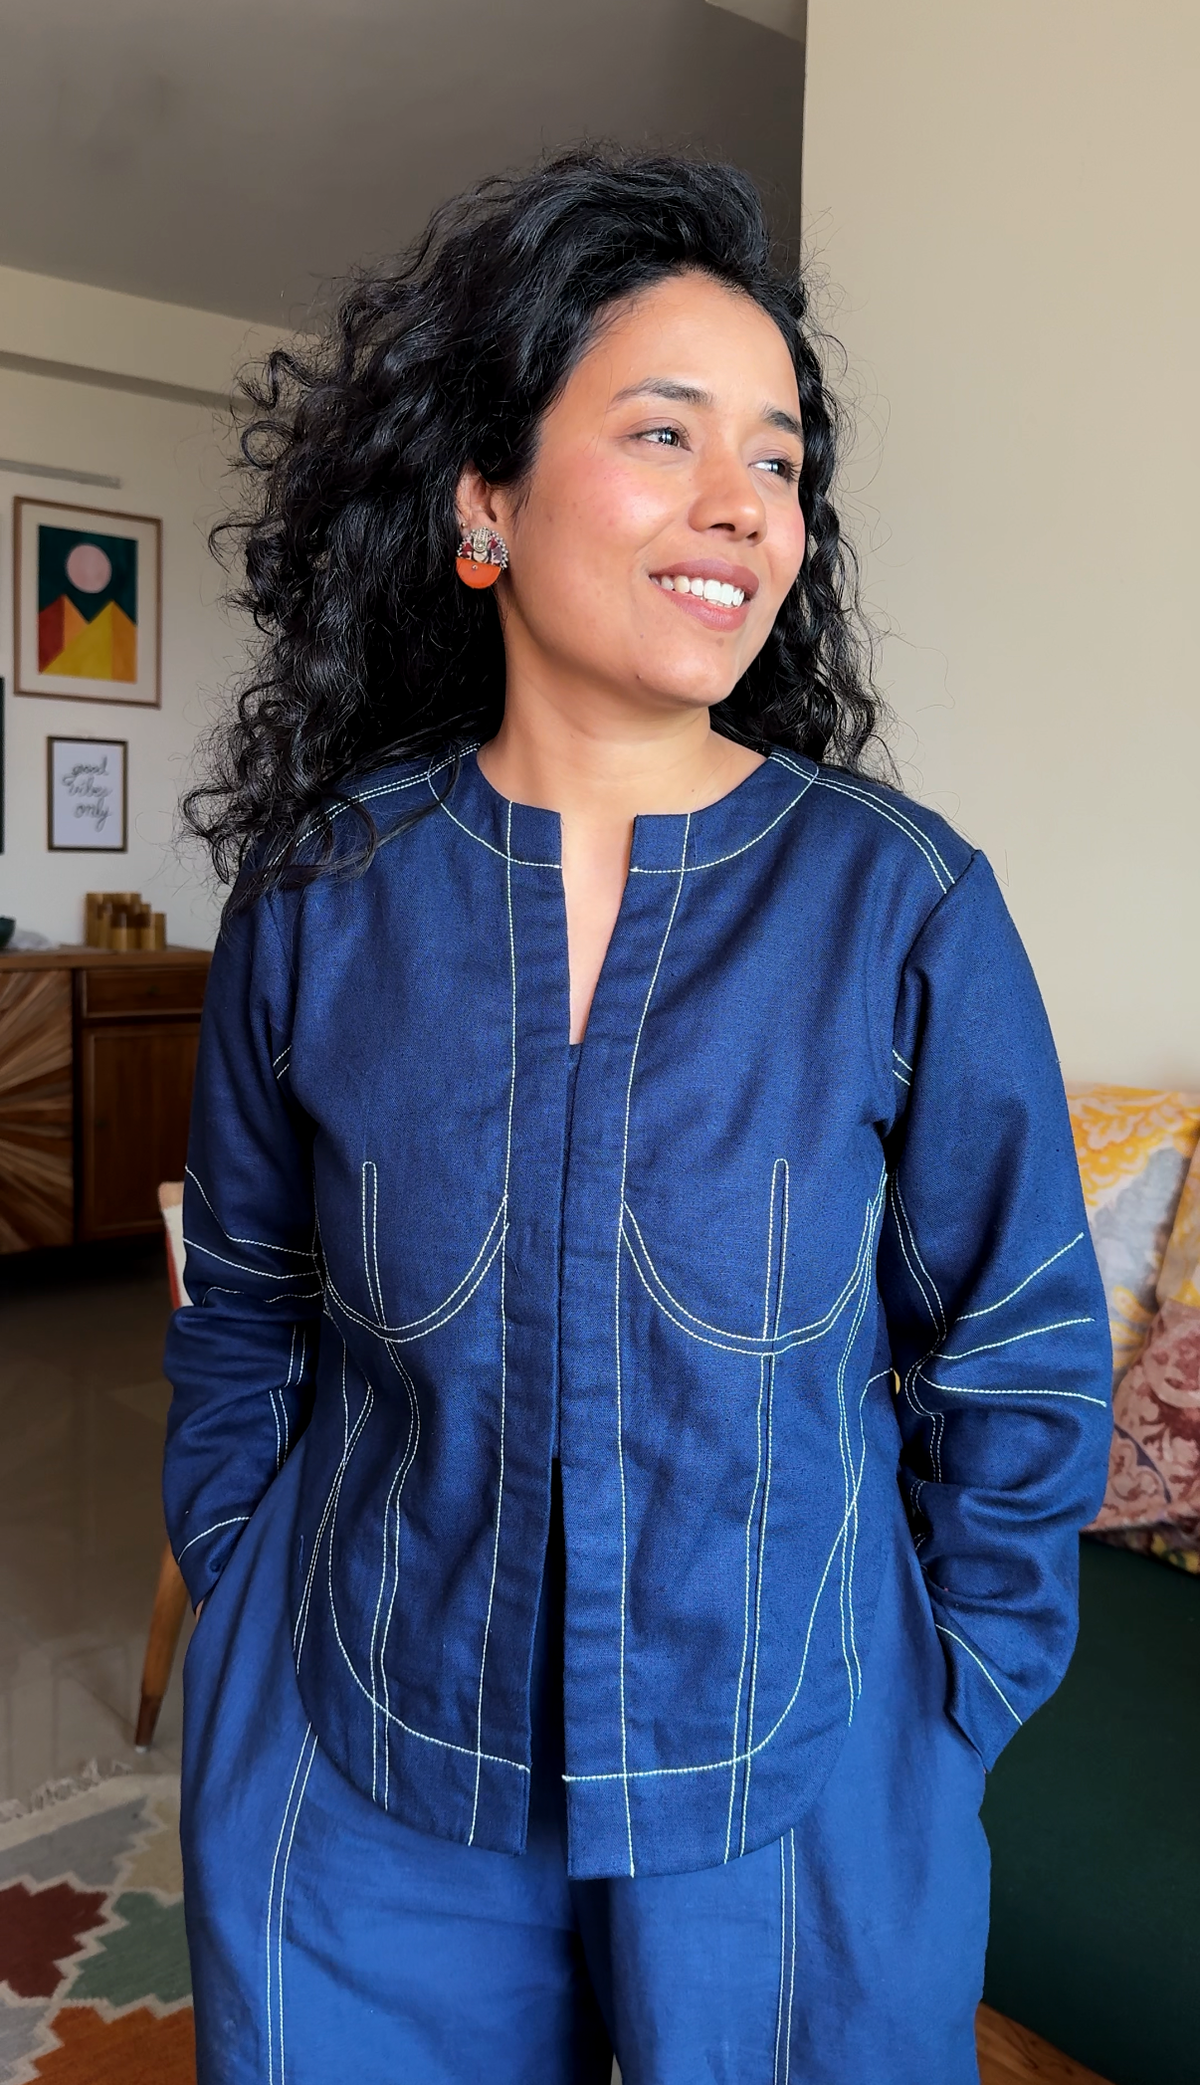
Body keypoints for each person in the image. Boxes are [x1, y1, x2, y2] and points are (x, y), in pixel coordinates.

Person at [164, 149, 1111, 2084]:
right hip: (365, 1765)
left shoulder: (900, 904)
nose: (740, 504)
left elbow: (1018, 1352)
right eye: (664, 432)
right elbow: (245, 1299)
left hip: (802, 1783)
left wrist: (952, 1700)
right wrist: (245, 1576)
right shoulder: (325, 896)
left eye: (777, 459)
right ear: (483, 500)